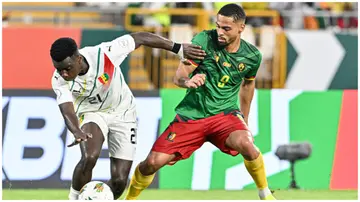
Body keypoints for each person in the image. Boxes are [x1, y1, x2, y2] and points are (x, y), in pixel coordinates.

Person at [125, 3, 276, 200]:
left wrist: (244, 121)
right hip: (192, 116)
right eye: (218, 26)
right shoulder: (204, 40)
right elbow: (178, 76)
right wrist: (188, 82)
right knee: (152, 162)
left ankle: (265, 194)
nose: (220, 32)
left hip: (225, 115)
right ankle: (129, 199)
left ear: (241, 28)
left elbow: (247, 87)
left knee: (247, 144)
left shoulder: (252, 56)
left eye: (226, 28)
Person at [50, 32, 206, 200]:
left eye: (67, 68)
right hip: (91, 113)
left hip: (123, 112)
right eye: (59, 69)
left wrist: (178, 48)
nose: (63, 74)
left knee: (119, 182)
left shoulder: (105, 54)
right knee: (89, 156)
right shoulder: (59, 79)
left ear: (78, 59)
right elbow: (66, 108)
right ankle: (73, 199)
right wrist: (76, 131)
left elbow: (140, 38)